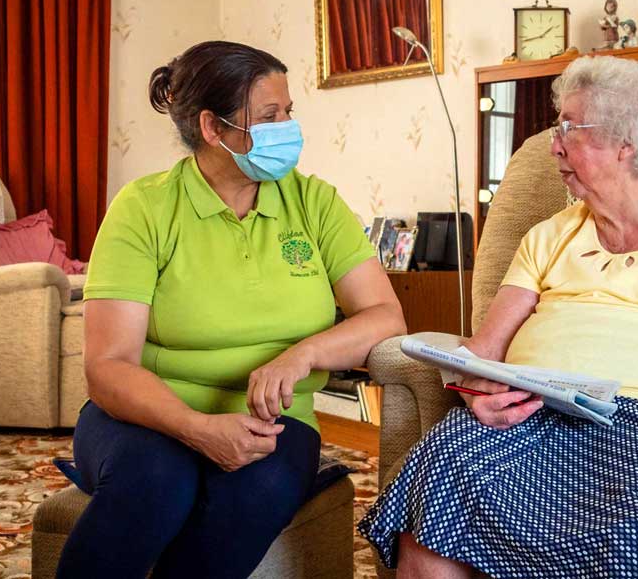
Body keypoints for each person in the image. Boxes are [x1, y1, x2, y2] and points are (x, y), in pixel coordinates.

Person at [359, 55, 638, 578]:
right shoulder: (546, 237)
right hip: (530, 411)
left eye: (570, 127)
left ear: (626, 143)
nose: (554, 142)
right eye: (556, 126)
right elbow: (486, 348)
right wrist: (477, 393)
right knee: (441, 471)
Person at [56, 41, 406, 579]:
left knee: (258, 488)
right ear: (213, 129)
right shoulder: (144, 208)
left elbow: (385, 314)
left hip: (275, 420)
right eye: (270, 116)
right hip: (144, 412)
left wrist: (301, 355)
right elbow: (108, 365)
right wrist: (196, 427)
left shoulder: (315, 202)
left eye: (289, 111)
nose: (288, 127)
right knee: (156, 480)